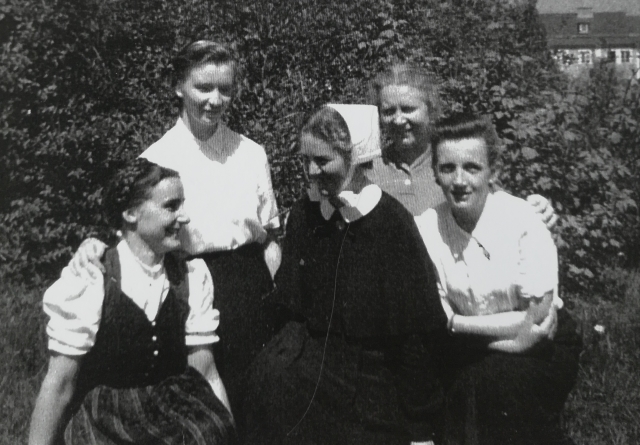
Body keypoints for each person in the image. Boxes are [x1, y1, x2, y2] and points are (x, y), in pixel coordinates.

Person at [65, 40, 281, 420]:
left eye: (225, 89)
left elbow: (269, 236)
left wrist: (276, 297)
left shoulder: (252, 154)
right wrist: (92, 245)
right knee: (200, 407)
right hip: (187, 287)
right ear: (179, 86)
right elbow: (132, 237)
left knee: (261, 405)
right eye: (204, 87)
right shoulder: (157, 159)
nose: (215, 100)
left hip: (252, 291)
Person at [243, 105, 448, 445]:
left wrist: (421, 428)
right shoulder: (305, 214)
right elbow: (290, 308)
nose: (312, 171)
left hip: (373, 383)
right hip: (309, 372)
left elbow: (414, 335)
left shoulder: (391, 224)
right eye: (306, 160)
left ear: (356, 157)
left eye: (323, 160)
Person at [28, 158, 236, 445]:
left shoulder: (189, 277)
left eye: (182, 205)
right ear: (130, 213)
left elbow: (207, 372)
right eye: (171, 206)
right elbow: (59, 384)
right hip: (106, 418)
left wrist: (226, 431)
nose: (185, 217)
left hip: (172, 410)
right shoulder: (93, 278)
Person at [414, 114, 581, 445]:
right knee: (463, 386)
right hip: (472, 344)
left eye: (472, 168)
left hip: (544, 346)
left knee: (493, 382)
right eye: (447, 168)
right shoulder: (426, 228)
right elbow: (435, 314)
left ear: (494, 171)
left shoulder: (524, 220)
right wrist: (506, 341)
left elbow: (536, 321)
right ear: (434, 173)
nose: (459, 180)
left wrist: (456, 325)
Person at [367, 63, 558, 227]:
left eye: (408, 109)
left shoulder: (454, 162)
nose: (398, 120)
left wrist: (538, 209)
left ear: (430, 110)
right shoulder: (367, 169)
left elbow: (504, 209)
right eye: (389, 111)